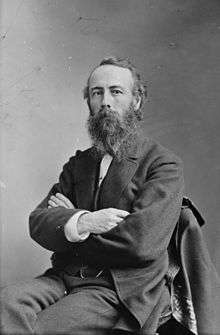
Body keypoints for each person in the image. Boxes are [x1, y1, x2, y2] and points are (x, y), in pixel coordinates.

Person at [1, 57, 185, 334]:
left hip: (119, 287)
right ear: (89, 101)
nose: (105, 101)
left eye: (116, 91)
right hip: (64, 277)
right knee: (5, 304)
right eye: (97, 92)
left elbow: (140, 243)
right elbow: (38, 222)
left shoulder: (162, 164)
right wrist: (85, 221)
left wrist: (69, 228)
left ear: (136, 101)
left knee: (42, 328)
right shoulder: (79, 164)